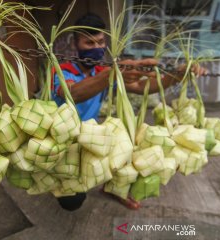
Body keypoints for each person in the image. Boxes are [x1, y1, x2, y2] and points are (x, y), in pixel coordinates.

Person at [51, 13, 207, 211]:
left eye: (100, 42)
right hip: (64, 139)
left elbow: (144, 88)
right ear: (75, 44)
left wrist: (179, 73)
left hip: (91, 135)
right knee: (71, 202)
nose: (97, 48)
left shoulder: (102, 70)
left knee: (125, 152)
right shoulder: (61, 70)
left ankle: (111, 187)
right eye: (88, 43)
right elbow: (73, 93)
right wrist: (113, 73)